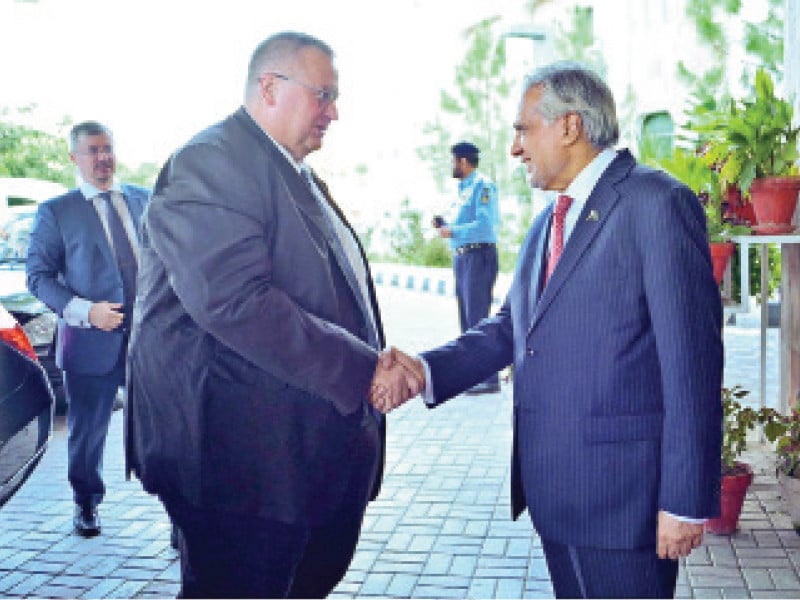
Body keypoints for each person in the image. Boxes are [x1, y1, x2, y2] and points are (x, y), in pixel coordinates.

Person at [377, 62, 723, 598]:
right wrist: (425, 370)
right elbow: (511, 326)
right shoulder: (547, 221)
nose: (515, 148)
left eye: (522, 129)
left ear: (569, 126)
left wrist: (685, 500)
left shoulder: (656, 203)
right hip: (556, 492)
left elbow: (693, 365)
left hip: (623, 501)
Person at [124, 31, 417, 598]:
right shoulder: (211, 162)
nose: (335, 112)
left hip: (289, 463)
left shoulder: (289, 170)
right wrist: (366, 370)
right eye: (324, 94)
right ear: (270, 87)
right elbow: (234, 300)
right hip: (239, 469)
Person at [27, 121, 149, 537]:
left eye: (108, 148)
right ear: (74, 158)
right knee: (87, 432)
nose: (103, 158)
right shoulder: (57, 212)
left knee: (164, 425)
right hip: (90, 341)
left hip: (149, 341)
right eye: (93, 150)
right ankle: (86, 503)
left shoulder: (143, 200)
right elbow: (39, 278)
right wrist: (85, 311)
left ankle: (176, 509)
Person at [433, 141, 501, 394]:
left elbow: (486, 225)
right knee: (467, 320)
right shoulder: (463, 190)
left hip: (478, 256)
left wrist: (454, 230)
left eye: (453, 161)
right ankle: (475, 374)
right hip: (462, 257)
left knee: (478, 318)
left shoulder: (482, 186)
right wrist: (445, 225)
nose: (452, 166)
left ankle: (490, 378)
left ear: (463, 161)